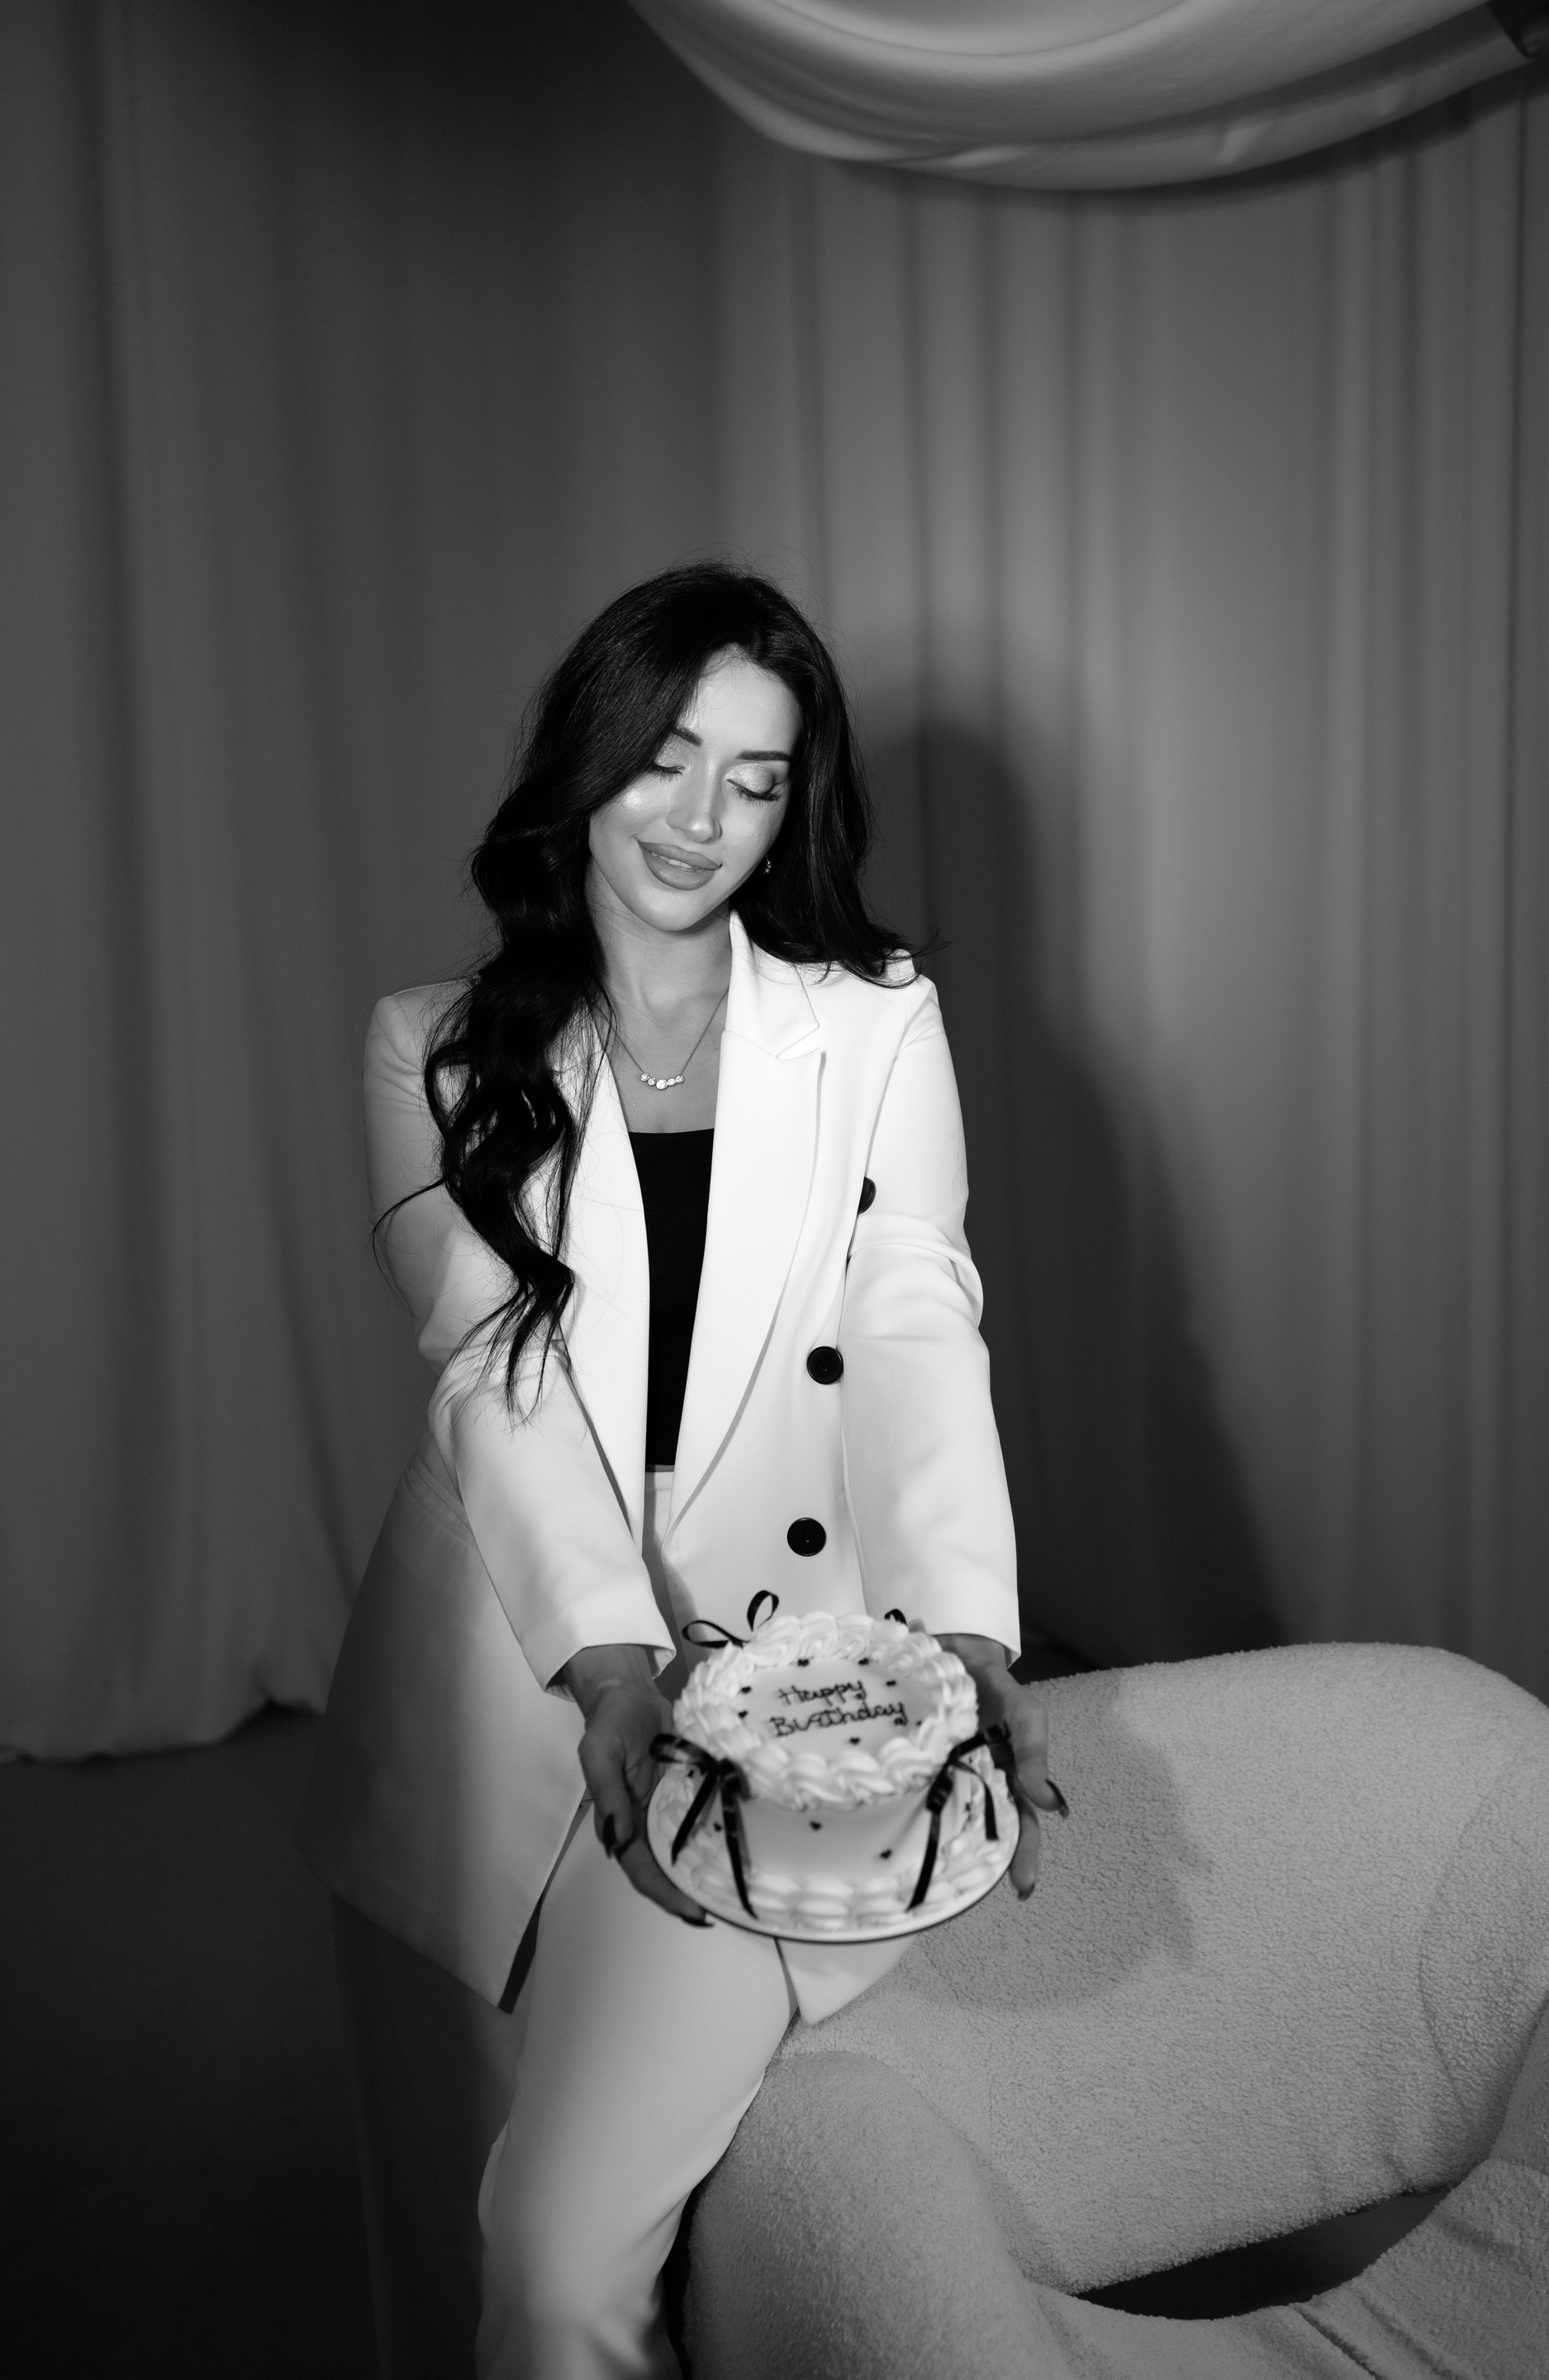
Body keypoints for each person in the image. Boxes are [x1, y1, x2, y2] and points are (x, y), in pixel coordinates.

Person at [297, 562, 1058, 2379]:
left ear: (799, 807)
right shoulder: (434, 1048)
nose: (701, 818)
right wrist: (612, 1666)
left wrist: (963, 1626)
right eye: (665, 758)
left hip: (772, 1684)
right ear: (589, 758)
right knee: (473, 2248)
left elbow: (913, 1308)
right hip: (514, 1674)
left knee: (576, 2254)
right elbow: (496, 1369)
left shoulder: (874, 1019)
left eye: (757, 779)